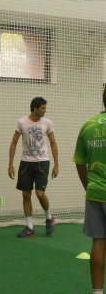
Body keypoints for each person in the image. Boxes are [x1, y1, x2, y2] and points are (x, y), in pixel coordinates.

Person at [8, 97, 59, 238]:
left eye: (45, 107)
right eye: (42, 108)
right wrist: (10, 164)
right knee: (26, 194)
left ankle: (49, 217)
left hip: (42, 162)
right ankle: (29, 227)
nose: (45, 110)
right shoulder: (22, 122)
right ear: (35, 109)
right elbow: (13, 143)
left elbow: (53, 143)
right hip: (25, 163)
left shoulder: (47, 123)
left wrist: (56, 164)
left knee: (40, 193)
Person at [73, 87, 106, 294]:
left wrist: (89, 187)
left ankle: (96, 292)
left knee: (98, 242)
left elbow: (80, 162)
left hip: (94, 193)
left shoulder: (88, 125)